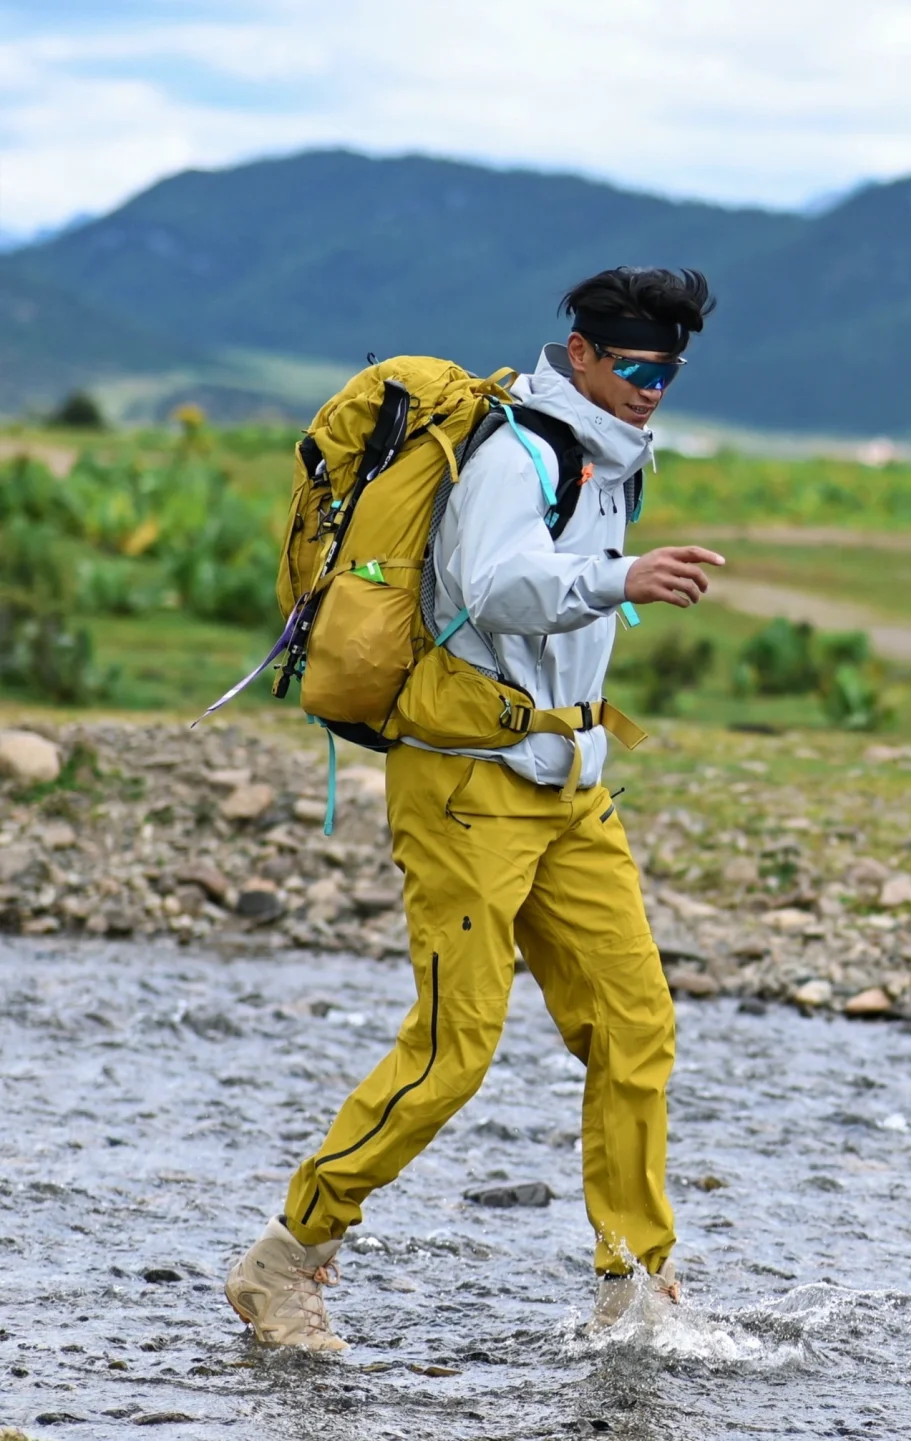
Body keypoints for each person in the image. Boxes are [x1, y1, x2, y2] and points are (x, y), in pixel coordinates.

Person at [225, 266, 723, 1350]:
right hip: (463, 784)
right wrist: (622, 579)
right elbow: (500, 585)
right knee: (455, 1047)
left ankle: (636, 1282)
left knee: (635, 1025)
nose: (651, 387)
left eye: (669, 372)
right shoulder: (522, 450)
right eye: (634, 366)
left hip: (571, 786)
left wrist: (612, 580)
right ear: (583, 352)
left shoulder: (606, 457)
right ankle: (284, 1259)